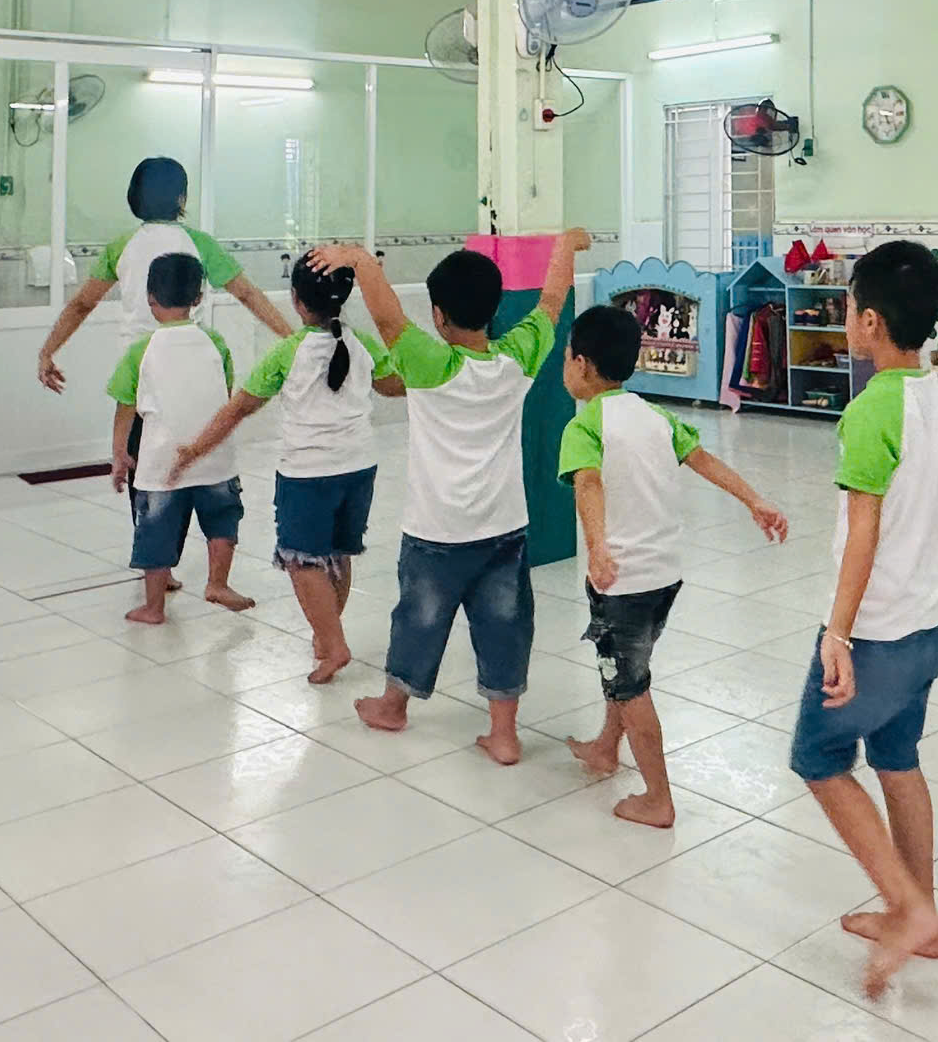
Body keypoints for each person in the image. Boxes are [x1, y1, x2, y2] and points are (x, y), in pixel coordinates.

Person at [310, 229, 585, 764]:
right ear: (496, 310)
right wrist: (565, 247)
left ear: (438, 316)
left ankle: (393, 706)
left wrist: (359, 259)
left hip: (434, 532)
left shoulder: (427, 364)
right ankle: (504, 734)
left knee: (418, 619)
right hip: (504, 529)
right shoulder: (517, 359)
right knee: (506, 626)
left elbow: (388, 317)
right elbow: (552, 301)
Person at [791, 240, 938, 1000]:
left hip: (877, 632)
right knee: (896, 758)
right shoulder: (934, 394)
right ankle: (923, 914)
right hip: (929, 622)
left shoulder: (868, 410)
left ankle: (909, 910)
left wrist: (838, 633)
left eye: (851, 308)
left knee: (819, 758)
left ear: (870, 322)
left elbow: (864, 533)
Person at [560, 304, 788, 826]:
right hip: (664, 577)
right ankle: (605, 747)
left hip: (622, 580)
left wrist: (597, 547)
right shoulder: (655, 415)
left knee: (631, 685)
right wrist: (754, 500)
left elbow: (588, 484)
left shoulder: (584, 425)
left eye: (568, 358)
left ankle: (657, 797)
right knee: (624, 667)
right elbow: (704, 460)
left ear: (582, 365)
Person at [162, 252, 403, 682]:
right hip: (358, 467)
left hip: (307, 474)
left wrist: (194, 450)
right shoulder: (362, 343)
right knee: (336, 554)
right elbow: (393, 386)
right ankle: (326, 636)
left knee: (302, 560)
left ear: (296, 300)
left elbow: (238, 409)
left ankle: (333, 643)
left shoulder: (288, 352)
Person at [36, 155, 293, 394]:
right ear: (181, 199)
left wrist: (47, 352)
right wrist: (292, 340)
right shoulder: (201, 244)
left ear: (134, 197)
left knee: (138, 426)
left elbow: (82, 304)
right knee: (193, 425)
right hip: (190, 356)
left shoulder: (120, 247)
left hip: (138, 363)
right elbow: (247, 294)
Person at [108, 254, 245, 625]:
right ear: (198, 298)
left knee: (155, 530)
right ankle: (218, 582)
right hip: (214, 455)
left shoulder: (140, 350)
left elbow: (125, 407)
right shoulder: (215, 342)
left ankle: (153, 608)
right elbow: (225, 392)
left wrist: (120, 454)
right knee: (222, 519)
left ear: (150, 298)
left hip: (162, 462)